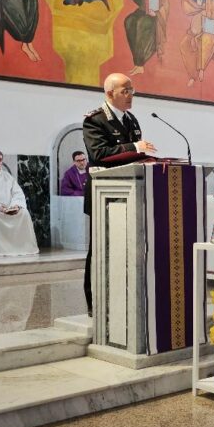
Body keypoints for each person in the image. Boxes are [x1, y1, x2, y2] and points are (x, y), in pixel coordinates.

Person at [82, 73, 157, 316]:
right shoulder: (95, 120)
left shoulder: (131, 120)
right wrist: (135, 147)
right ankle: (95, 302)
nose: (130, 95)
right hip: (103, 193)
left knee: (126, 249)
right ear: (109, 93)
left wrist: (146, 159)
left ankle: (122, 298)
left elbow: (132, 157)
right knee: (99, 249)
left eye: (132, 90)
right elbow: (99, 153)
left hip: (130, 193)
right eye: (125, 91)